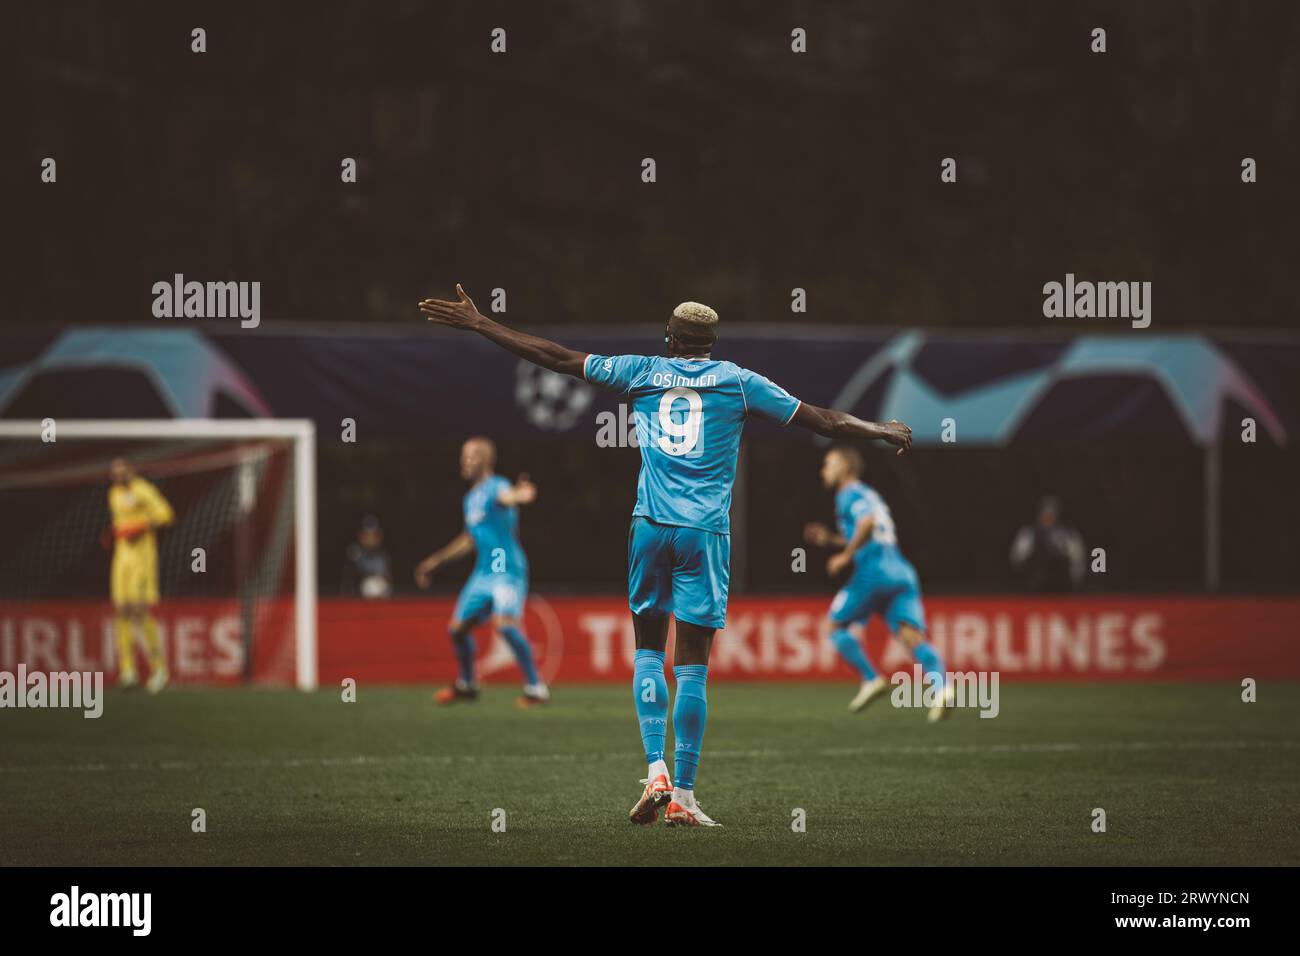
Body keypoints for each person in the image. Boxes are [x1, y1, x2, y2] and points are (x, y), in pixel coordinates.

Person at [419, 285, 911, 828]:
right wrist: (880, 431)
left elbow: (554, 357)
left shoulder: (641, 371)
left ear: (670, 338)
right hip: (703, 534)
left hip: (649, 528)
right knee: (693, 667)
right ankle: (684, 796)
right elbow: (822, 420)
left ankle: (654, 769)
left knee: (648, 652)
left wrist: (483, 324)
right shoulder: (738, 381)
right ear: (710, 343)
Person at [804, 446, 952, 720]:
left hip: (874, 572)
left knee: (834, 626)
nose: (823, 469)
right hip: (901, 571)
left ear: (845, 468)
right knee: (910, 635)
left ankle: (872, 679)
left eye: (829, 463)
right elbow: (871, 529)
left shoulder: (849, 493)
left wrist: (844, 556)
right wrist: (831, 540)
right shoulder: (871, 494)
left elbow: (868, 523)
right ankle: (942, 688)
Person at [415, 437, 549, 707]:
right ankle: (467, 684)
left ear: (486, 460)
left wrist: (520, 495)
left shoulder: (495, 486)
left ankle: (536, 688)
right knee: (457, 630)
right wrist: (436, 560)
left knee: (504, 625)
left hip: (507, 570)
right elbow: (469, 538)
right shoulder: (470, 499)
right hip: (483, 573)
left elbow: (508, 496)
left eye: (472, 455)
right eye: (464, 455)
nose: (465, 460)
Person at [107, 457, 174, 692]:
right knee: (121, 610)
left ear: (131, 470)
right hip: (121, 559)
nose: (118, 475)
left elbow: (166, 514)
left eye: (122, 470)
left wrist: (141, 526)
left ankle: (159, 669)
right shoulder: (113, 494)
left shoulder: (144, 490)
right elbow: (119, 523)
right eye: (114, 472)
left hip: (142, 559)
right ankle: (128, 671)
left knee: (138, 610)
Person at [1009, 496, 1086, 593]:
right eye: (1045, 514)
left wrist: (1075, 578)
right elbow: (1018, 558)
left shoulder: (1068, 534)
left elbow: (1077, 559)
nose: (1048, 518)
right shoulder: (1029, 533)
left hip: (1061, 581)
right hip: (1036, 580)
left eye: (1051, 515)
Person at [342, 515, 393, 598]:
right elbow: (349, 582)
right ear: (361, 536)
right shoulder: (354, 553)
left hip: (382, 594)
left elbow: (388, 578)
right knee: (370, 586)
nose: (371, 539)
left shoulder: (383, 554)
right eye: (367, 535)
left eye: (374, 535)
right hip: (360, 596)